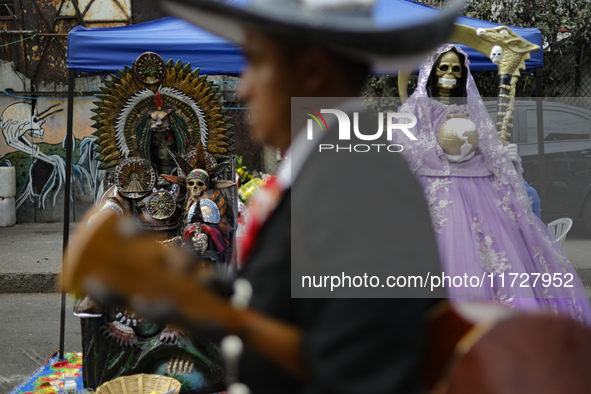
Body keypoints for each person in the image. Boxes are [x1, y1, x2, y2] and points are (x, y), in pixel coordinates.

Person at [64, 1, 462, 393]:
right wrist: (189, 294)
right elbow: (297, 320)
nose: (244, 86)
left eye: (256, 61)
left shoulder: (363, 182)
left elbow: (361, 370)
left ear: (311, 69)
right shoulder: (327, 164)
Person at [398, 44, 591, 324]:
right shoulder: (414, 110)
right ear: (431, 72)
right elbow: (402, 151)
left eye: (456, 68)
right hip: (428, 203)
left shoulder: (471, 111)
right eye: (443, 67)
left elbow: (491, 155)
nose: (450, 74)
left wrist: (505, 158)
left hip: (479, 202)